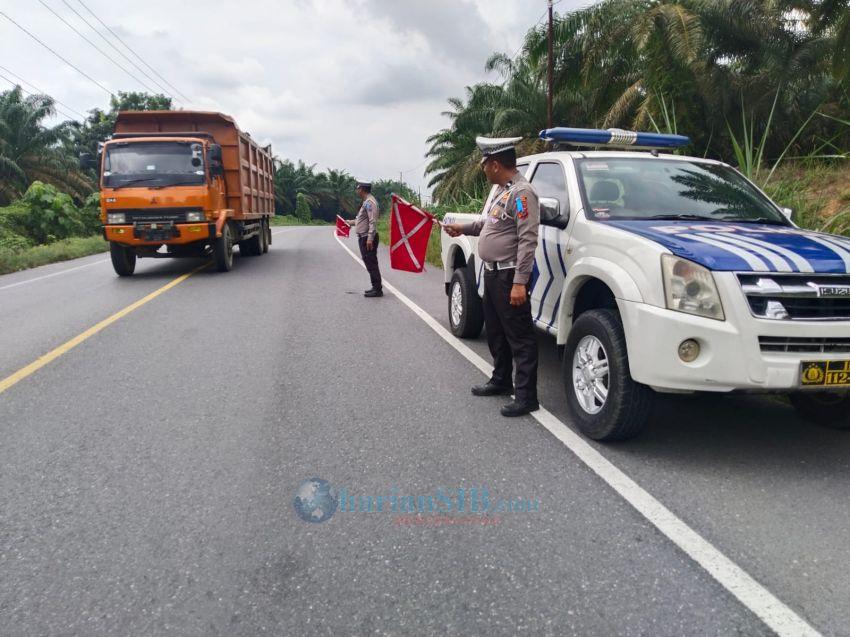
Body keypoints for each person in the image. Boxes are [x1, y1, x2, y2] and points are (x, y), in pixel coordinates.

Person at [443, 137, 540, 417]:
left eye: (484, 164)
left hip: (510, 275)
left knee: (519, 337)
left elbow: (527, 240)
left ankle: (526, 396)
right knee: (496, 332)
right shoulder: (504, 191)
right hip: (493, 274)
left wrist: (520, 282)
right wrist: (462, 227)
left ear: (496, 164)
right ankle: (500, 380)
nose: (483, 169)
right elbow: (490, 224)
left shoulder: (522, 193)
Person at [347, 181, 383, 298]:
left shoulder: (369, 202)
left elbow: (372, 221)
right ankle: (375, 287)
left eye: (358, 188)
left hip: (367, 238)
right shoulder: (366, 202)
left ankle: (377, 289)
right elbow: (360, 220)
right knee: (369, 262)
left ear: (362, 189)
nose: (357, 190)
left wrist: (370, 238)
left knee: (371, 263)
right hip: (364, 237)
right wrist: (349, 222)